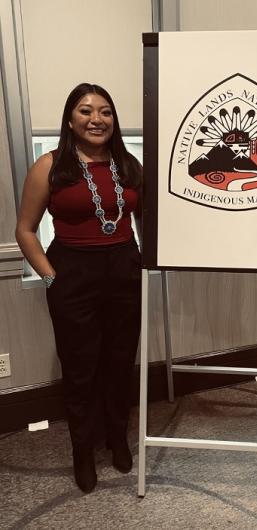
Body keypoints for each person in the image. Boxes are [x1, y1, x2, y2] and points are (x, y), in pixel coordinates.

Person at [15, 83, 143, 493]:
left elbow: (146, 222)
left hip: (123, 269)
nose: (96, 119)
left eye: (105, 111)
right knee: (81, 369)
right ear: (70, 120)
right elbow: (25, 231)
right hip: (73, 274)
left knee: (120, 362)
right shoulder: (50, 166)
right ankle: (82, 450)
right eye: (86, 111)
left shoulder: (129, 165)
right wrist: (53, 277)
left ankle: (117, 438)